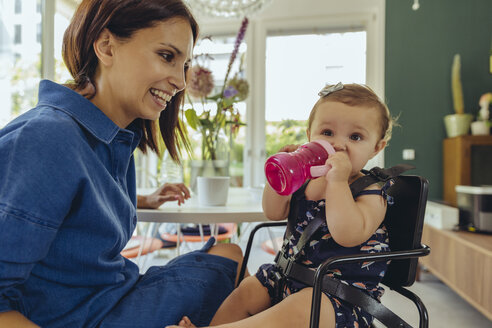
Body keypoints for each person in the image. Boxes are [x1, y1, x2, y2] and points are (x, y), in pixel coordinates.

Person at [0, 1, 245, 327]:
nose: (181, 82)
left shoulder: (112, 138)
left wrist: (145, 199)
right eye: (167, 56)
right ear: (106, 46)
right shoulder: (47, 138)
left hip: (113, 294)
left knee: (231, 255)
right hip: (88, 317)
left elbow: (69, 204)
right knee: (252, 290)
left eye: (183, 65)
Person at [168, 83, 395, 328]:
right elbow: (273, 211)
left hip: (340, 298)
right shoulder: (307, 179)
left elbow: (348, 234)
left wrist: (337, 182)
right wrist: (282, 175)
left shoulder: (372, 191)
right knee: (249, 290)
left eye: (355, 137)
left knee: (303, 306)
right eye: (327, 133)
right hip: (288, 277)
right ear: (309, 135)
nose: (338, 145)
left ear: (376, 147)